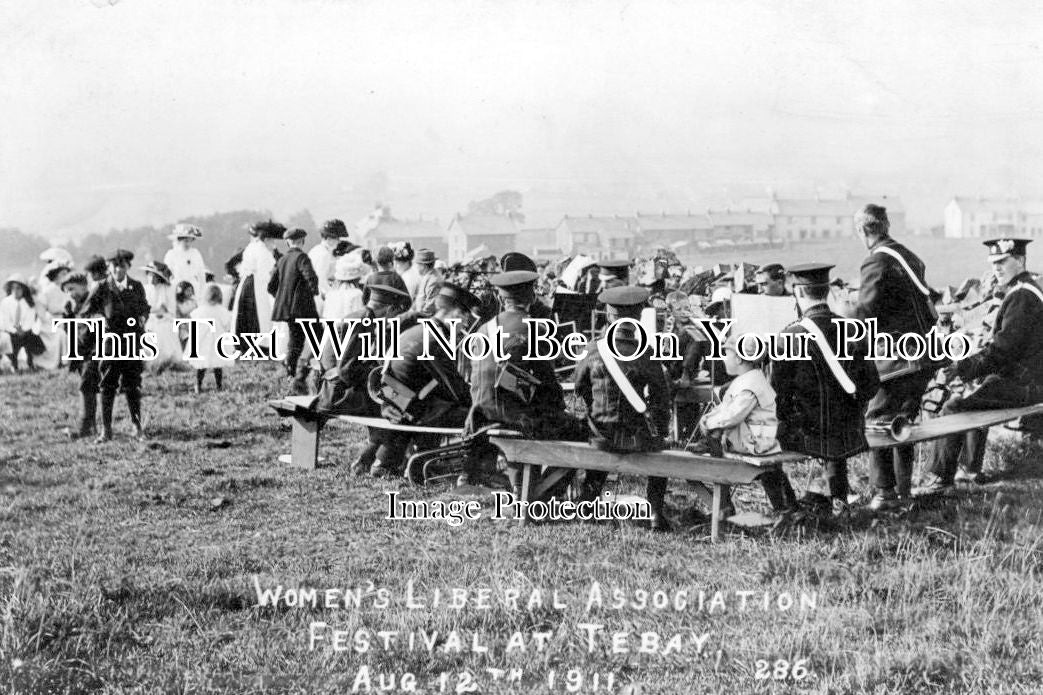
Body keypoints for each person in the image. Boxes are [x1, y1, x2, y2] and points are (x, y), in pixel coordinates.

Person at [915, 238, 1043, 497]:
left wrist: (963, 368)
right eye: (993, 264)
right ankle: (969, 470)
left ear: (1020, 260)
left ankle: (938, 479)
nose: (996, 268)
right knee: (976, 395)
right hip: (1028, 380)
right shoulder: (1025, 289)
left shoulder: (1022, 297)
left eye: (1002, 262)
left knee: (954, 406)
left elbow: (1003, 350)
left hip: (1028, 385)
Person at [771, 263, 880, 517]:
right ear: (827, 290)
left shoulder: (791, 336)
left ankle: (790, 507)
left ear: (798, 293)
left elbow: (778, 397)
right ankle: (833, 499)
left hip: (810, 433)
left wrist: (790, 419)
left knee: (759, 441)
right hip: (851, 431)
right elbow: (871, 385)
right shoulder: (852, 329)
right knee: (830, 431)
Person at [852, 204, 939, 510]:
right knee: (904, 421)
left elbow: (864, 314)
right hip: (920, 355)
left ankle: (884, 493)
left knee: (876, 420)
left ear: (863, 231)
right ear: (886, 225)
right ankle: (904, 493)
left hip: (895, 359)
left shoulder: (875, 262)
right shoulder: (910, 257)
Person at [469, 270, 588, 489]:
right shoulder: (536, 329)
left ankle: (523, 486)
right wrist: (560, 410)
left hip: (481, 413)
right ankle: (545, 492)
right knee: (578, 429)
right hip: (516, 416)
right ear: (531, 296)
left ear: (501, 298)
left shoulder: (484, 329)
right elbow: (547, 382)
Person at [573, 286, 672, 530]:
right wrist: (660, 431)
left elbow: (579, 387)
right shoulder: (647, 354)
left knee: (598, 436)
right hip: (637, 436)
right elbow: (662, 401)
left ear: (609, 316)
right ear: (638, 318)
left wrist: (594, 410)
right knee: (662, 456)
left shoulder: (592, 349)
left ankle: (588, 504)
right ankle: (656, 513)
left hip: (601, 436)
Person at [372, 284, 479, 478]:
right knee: (479, 417)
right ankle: (471, 473)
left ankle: (390, 462)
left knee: (440, 402)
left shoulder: (419, 329)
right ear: (452, 313)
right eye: (464, 315)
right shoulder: (436, 339)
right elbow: (455, 388)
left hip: (394, 401)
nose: (465, 322)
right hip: (410, 408)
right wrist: (479, 403)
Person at [315, 284, 412, 473]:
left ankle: (368, 460)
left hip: (335, 387)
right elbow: (347, 371)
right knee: (400, 406)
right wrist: (379, 373)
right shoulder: (363, 322)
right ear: (390, 308)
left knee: (397, 400)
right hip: (337, 393)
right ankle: (380, 462)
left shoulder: (362, 317)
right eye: (394, 314)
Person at [90, 249, 150, 442]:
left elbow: (144, 307)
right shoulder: (102, 288)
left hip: (132, 341)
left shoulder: (137, 286)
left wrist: (142, 317)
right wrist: (100, 319)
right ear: (109, 267)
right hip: (111, 342)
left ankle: (137, 426)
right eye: (114, 265)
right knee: (107, 385)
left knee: (133, 385)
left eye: (122, 265)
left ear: (128, 267)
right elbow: (88, 311)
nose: (118, 269)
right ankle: (106, 430)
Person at [268, 227, 320, 387]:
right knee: (319, 336)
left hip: (288, 310)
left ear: (287, 242)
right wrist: (313, 291)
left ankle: (290, 370)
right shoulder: (302, 257)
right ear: (302, 241)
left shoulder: (282, 260)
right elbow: (310, 276)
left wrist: (284, 297)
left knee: (295, 339)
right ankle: (317, 370)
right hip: (304, 308)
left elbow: (271, 286)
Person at [231, 219, 283, 338]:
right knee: (257, 314)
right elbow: (265, 274)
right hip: (257, 285)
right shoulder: (262, 251)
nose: (273, 243)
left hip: (249, 282)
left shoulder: (252, 246)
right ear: (266, 239)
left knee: (248, 314)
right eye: (271, 240)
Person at [60, 273, 97, 438]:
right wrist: (68, 316)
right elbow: (69, 331)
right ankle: (91, 426)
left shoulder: (94, 302)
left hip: (96, 350)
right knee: (87, 387)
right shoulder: (73, 306)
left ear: (84, 286)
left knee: (87, 386)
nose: (70, 294)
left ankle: (85, 428)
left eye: (72, 289)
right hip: (81, 352)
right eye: (67, 291)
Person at [187, 284, 231, 393]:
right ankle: (219, 385)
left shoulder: (200, 310)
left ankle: (198, 384)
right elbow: (227, 325)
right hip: (217, 341)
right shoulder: (221, 310)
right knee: (218, 365)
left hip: (203, 340)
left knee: (201, 365)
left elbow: (193, 322)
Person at [35, 261, 73, 370]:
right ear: (56, 275)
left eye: (66, 273)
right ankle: (62, 362)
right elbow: (41, 308)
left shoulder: (66, 288)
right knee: (60, 334)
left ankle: (69, 360)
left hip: (64, 318)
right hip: (50, 321)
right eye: (63, 274)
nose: (65, 276)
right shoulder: (48, 290)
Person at [308, 219, 349, 310]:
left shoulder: (316, 250)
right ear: (329, 238)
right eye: (337, 238)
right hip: (316, 300)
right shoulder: (324, 255)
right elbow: (320, 281)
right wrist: (334, 296)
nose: (339, 242)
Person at [0, 274, 39, 371]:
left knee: (31, 340)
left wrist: (23, 330)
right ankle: (14, 364)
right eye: (13, 288)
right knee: (10, 342)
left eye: (18, 288)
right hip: (11, 331)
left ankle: (30, 363)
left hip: (25, 331)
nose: (15, 291)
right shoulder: (6, 302)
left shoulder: (29, 303)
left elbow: (30, 320)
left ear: (24, 290)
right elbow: (5, 321)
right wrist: (14, 330)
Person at [163, 223, 207, 297]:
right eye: (186, 241)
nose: (188, 243)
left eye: (190, 241)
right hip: (176, 289)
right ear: (180, 239)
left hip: (193, 289)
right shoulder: (171, 254)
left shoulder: (195, 253)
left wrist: (202, 293)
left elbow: (201, 275)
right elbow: (166, 275)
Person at [411, 248, 443, 316]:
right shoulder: (428, 276)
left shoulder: (434, 280)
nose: (417, 267)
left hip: (425, 319)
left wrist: (415, 316)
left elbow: (430, 307)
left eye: (418, 265)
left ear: (423, 266)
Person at [175, 282, 198, 349]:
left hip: (191, 328)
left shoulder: (193, 301)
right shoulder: (177, 302)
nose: (190, 292)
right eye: (188, 290)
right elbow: (183, 311)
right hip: (182, 329)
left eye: (191, 290)